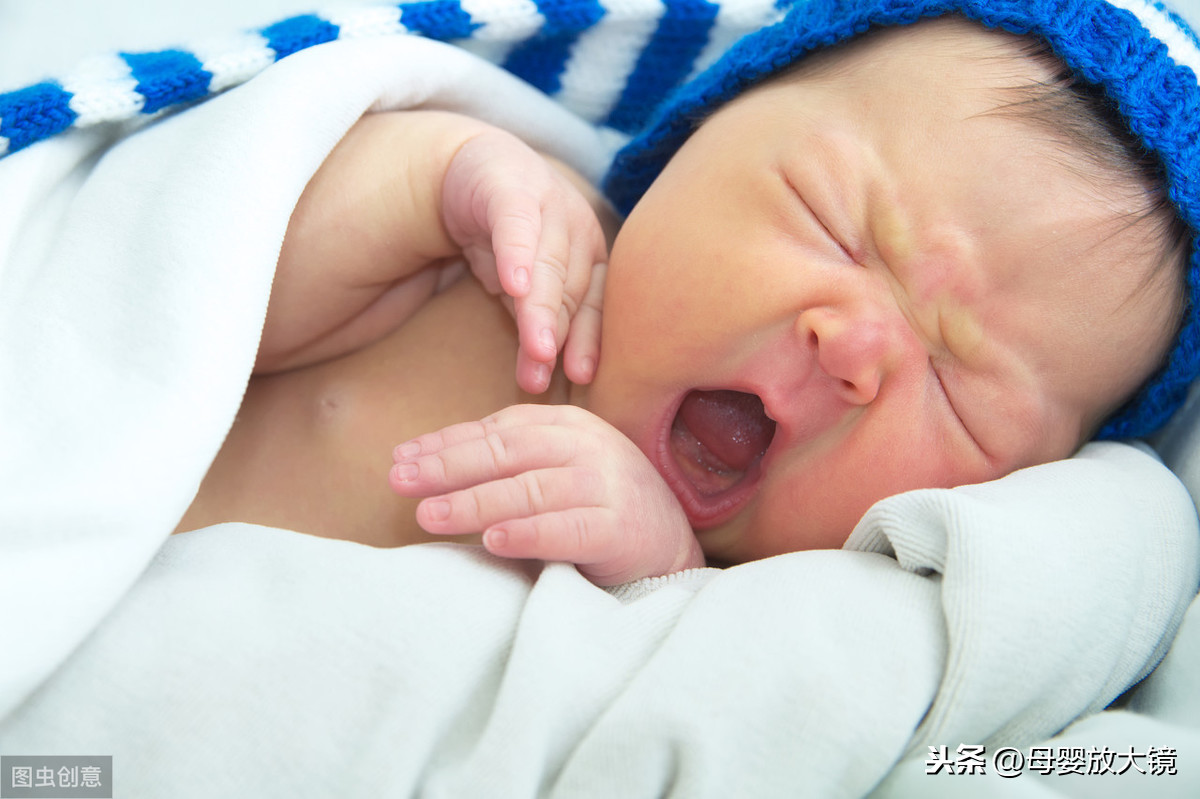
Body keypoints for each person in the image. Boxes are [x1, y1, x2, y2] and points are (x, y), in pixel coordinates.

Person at [177, 9, 1193, 586]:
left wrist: (659, 578)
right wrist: (433, 181)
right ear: (691, 139)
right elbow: (193, 276)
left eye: (963, 393)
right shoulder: (503, 245)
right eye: (834, 222)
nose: (856, 351)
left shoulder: (752, 606)